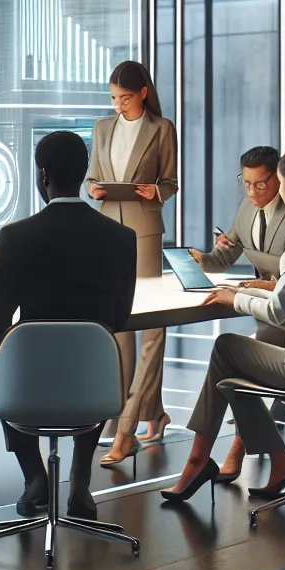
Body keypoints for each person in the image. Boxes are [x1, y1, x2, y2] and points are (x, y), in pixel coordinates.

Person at [161, 144, 285, 502]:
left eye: (278, 183)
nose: (275, 193)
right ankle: (277, 463)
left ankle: (198, 459)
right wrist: (241, 292)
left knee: (225, 348)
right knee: (231, 378)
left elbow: (280, 310)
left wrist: (232, 297)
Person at [0, 131, 138, 521]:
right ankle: (80, 481)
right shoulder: (121, 238)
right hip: (94, 389)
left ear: (43, 174)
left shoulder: (15, 237)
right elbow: (118, 318)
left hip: (28, 389)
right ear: (84, 174)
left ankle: (35, 476)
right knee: (93, 357)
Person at [87, 59, 179, 467]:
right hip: (107, 230)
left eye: (124, 97)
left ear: (143, 92)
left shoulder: (162, 129)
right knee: (118, 324)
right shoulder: (102, 128)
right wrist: (93, 188)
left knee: (151, 327)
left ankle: (126, 427)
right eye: (113, 98)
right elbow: (92, 176)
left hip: (144, 230)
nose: (118, 105)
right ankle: (148, 413)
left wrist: (154, 192)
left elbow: (171, 182)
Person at [190, 145, 285, 347]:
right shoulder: (246, 207)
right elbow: (224, 258)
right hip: (265, 315)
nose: (252, 192)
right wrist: (202, 260)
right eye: (246, 183)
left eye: (260, 185)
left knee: (228, 350)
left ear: (278, 176)